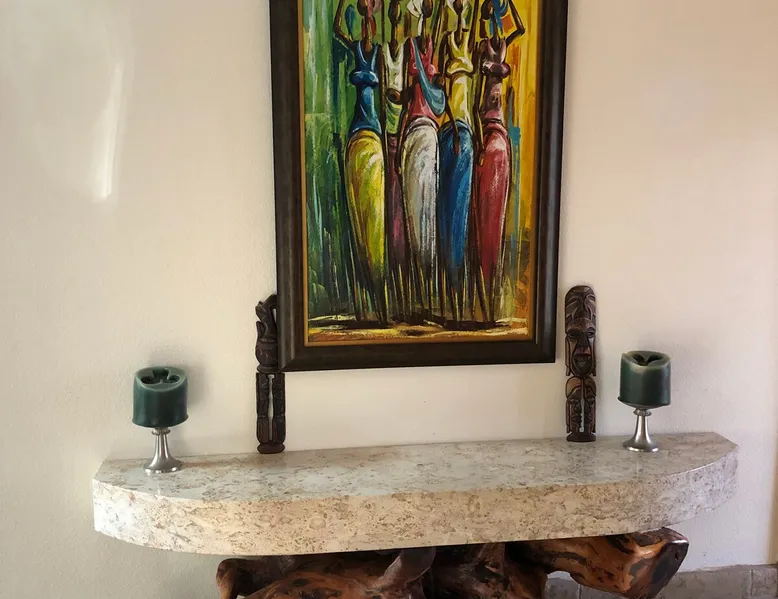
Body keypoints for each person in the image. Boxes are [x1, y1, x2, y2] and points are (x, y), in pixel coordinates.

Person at [335, 0, 388, 324]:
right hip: (357, 128)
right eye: (364, 13)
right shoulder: (356, 48)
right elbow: (337, 29)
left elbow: (382, 98)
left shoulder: (379, 52)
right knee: (357, 213)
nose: (368, 22)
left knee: (375, 216)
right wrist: (343, 4)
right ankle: (365, 299)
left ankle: (379, 296)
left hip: (375, 130)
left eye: (371, 14)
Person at [472, 0, 525, 323]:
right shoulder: (482, 47)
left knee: (500, 209)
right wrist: (479, 139)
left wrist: (509, 7)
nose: (493, 16)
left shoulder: (503, 42)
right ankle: (483, 289)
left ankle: (493, 293)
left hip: (501, 129)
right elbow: (477, 99)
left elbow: (520, 28)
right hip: (487, 126)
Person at [393, 0, 446, 322]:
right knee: (411, 214)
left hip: (428, 136)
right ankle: (417, 296)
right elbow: (403, 106)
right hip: (411, 134)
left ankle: (429, 293)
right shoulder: (409, 47)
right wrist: (399, 145)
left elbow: (438, 104)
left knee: (427, 212)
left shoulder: (434, 48)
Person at [436, 0, 479, 325]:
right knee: (445, 208)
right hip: (449, 131)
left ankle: (457, 287)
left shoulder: (470, 42)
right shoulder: (445, 42)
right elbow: (442, 93)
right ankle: (446, 287)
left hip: (467, 130)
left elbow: (473, 104)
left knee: (461, 211)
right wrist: (452, 125)